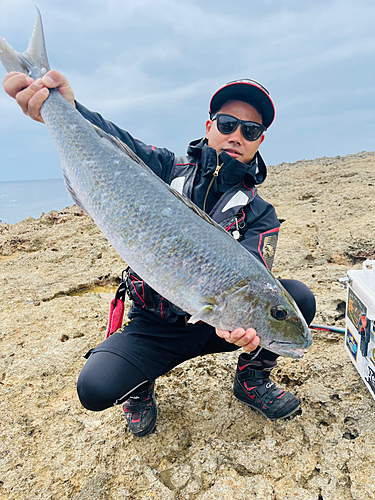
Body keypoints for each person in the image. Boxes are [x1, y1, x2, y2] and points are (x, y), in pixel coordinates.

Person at [3, 72, 316, 436]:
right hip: (155, 323)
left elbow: (254, 275)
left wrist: (244, 329)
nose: (236, 135)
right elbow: (115, 142)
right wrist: (64, 107)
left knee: (298, 300)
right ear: (210, 126)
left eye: (249, 130)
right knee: (95, 387)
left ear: (260, 141)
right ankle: (140, 386)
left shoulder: (260, 214)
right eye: (228, 124)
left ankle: (251, 378)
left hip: (219, 326)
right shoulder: (166, 169)